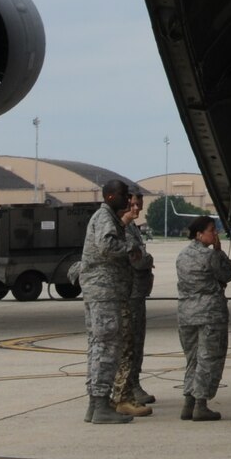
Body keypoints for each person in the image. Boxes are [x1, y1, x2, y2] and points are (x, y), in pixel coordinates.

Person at [79, 178, 142, 425]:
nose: (129, 200)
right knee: (107, 346)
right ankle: (101, 405)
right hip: (104, 292)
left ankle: (95, 405)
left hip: (102, 291)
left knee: (98, 346)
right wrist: (130, 249)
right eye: (125, 195)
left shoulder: (106, 217)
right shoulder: (105, 217)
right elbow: (106, 245)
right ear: (111, 197)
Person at [175, 215, 231, 421]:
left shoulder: (182, 256)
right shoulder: (210, 256)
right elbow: (229, 274)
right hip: (210, 313)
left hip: (186, 314)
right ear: (199, 234)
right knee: (209, 359)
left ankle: (188, 402)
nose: (215, 234)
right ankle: (201, 404)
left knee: (192, 359)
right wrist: (219, 252)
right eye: (212, 230)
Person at [113, 189, 155, 414]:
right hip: (130, 294)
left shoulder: (131, 228)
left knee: (136, 340)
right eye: (132, 205)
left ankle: (132, 384)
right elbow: (137, 260)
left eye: (139, 205)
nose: (136, 209)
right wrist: (148, 259)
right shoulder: (123, 228)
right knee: (131, 341)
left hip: (137, 292)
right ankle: (130, 386)